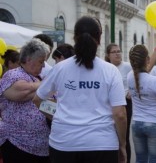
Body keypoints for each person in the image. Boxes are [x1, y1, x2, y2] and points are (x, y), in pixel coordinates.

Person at [33, 16, 127, 163]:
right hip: (102, 144)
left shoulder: (60, 68)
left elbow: (38, 99)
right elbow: (120, 114)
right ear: (100, 38)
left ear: (75, 38)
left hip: (64, 144)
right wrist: (122, 145)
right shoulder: (111, 71)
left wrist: (57, 115)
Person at [0, 38, 50, 163]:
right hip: (17, 144)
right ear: (29, 60)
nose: (43, 65)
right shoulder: (13, 74)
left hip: (40, 148)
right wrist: (48, 84)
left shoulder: (37, 77)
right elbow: (21, 92)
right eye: (41, 61)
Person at [105, 43, 132, 163]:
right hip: (109, 105)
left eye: (119, 51)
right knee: (111, 134)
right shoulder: (106, 68)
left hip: (125, 103)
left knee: (124, 135)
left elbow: (138, 79)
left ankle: (127, 159)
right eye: (114, 52)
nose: (117, 54)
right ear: (108, 55)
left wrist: (132, 91)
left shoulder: (127, 66)